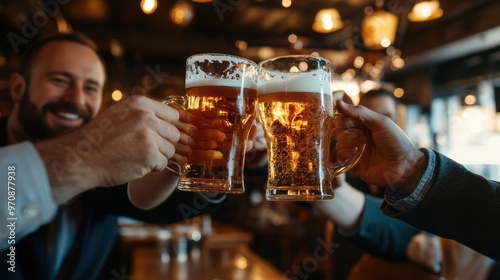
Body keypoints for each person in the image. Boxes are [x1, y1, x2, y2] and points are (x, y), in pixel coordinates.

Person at [0, 32, 231, 279]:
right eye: (59, 80)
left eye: (90, 88)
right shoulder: (94, 151)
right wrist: (81, 156)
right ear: (18, 88)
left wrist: (232, 162)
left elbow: (162, 207)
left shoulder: (106, 161)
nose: (76, 99)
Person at [332, 97, 500, 261]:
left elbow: (412, 237)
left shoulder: (374, 167)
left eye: (385, 116)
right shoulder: (347, 167)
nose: (370, 125)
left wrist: (408, 168)